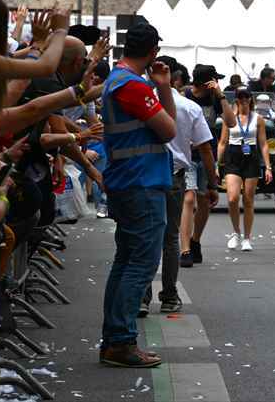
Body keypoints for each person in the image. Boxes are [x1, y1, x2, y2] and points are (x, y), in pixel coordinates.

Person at [98, 22, 176, 369]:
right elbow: (170, 130)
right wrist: (162, 89)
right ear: (153, 51)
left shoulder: (118, 80)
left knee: (125, 261)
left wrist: (161, 88)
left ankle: (115, 338)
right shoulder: (131, 85)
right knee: (141, 263)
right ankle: (120, 341)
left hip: (130, 181)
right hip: (140, 183)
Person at [139, 56, 214, 316]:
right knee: (170, 238)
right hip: (174, 176)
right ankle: (169, 295)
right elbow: (205, 147)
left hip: (144, 175)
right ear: (177, 77)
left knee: (147, 236)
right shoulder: (189, 107)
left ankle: (142, 297)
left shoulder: (142, 101)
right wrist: (213, 183)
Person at [183, 64, 235, 265]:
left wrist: (221, 96)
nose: (217, 83)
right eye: (215, 80)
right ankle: (185, 247)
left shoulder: (215, 99)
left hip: (206, 155)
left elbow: (231, 122)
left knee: (204, 201)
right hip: (186, 155)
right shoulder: (185, 96)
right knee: (188, 198)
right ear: (206, 82)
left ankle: (195, 241)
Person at [218, 88, 272, 252]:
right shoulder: (230, 118)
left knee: (248, 200)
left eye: (246, 97)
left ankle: (247, 238)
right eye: (240, 97)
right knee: (233, 198)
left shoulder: (258, 119)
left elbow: (263, 143)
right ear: (236, 100)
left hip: (251, 157)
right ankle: (236, 232)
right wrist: (216, 165)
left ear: (250, 99)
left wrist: (268, 166)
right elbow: (222, 142)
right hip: (233, 156)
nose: (243, 100)